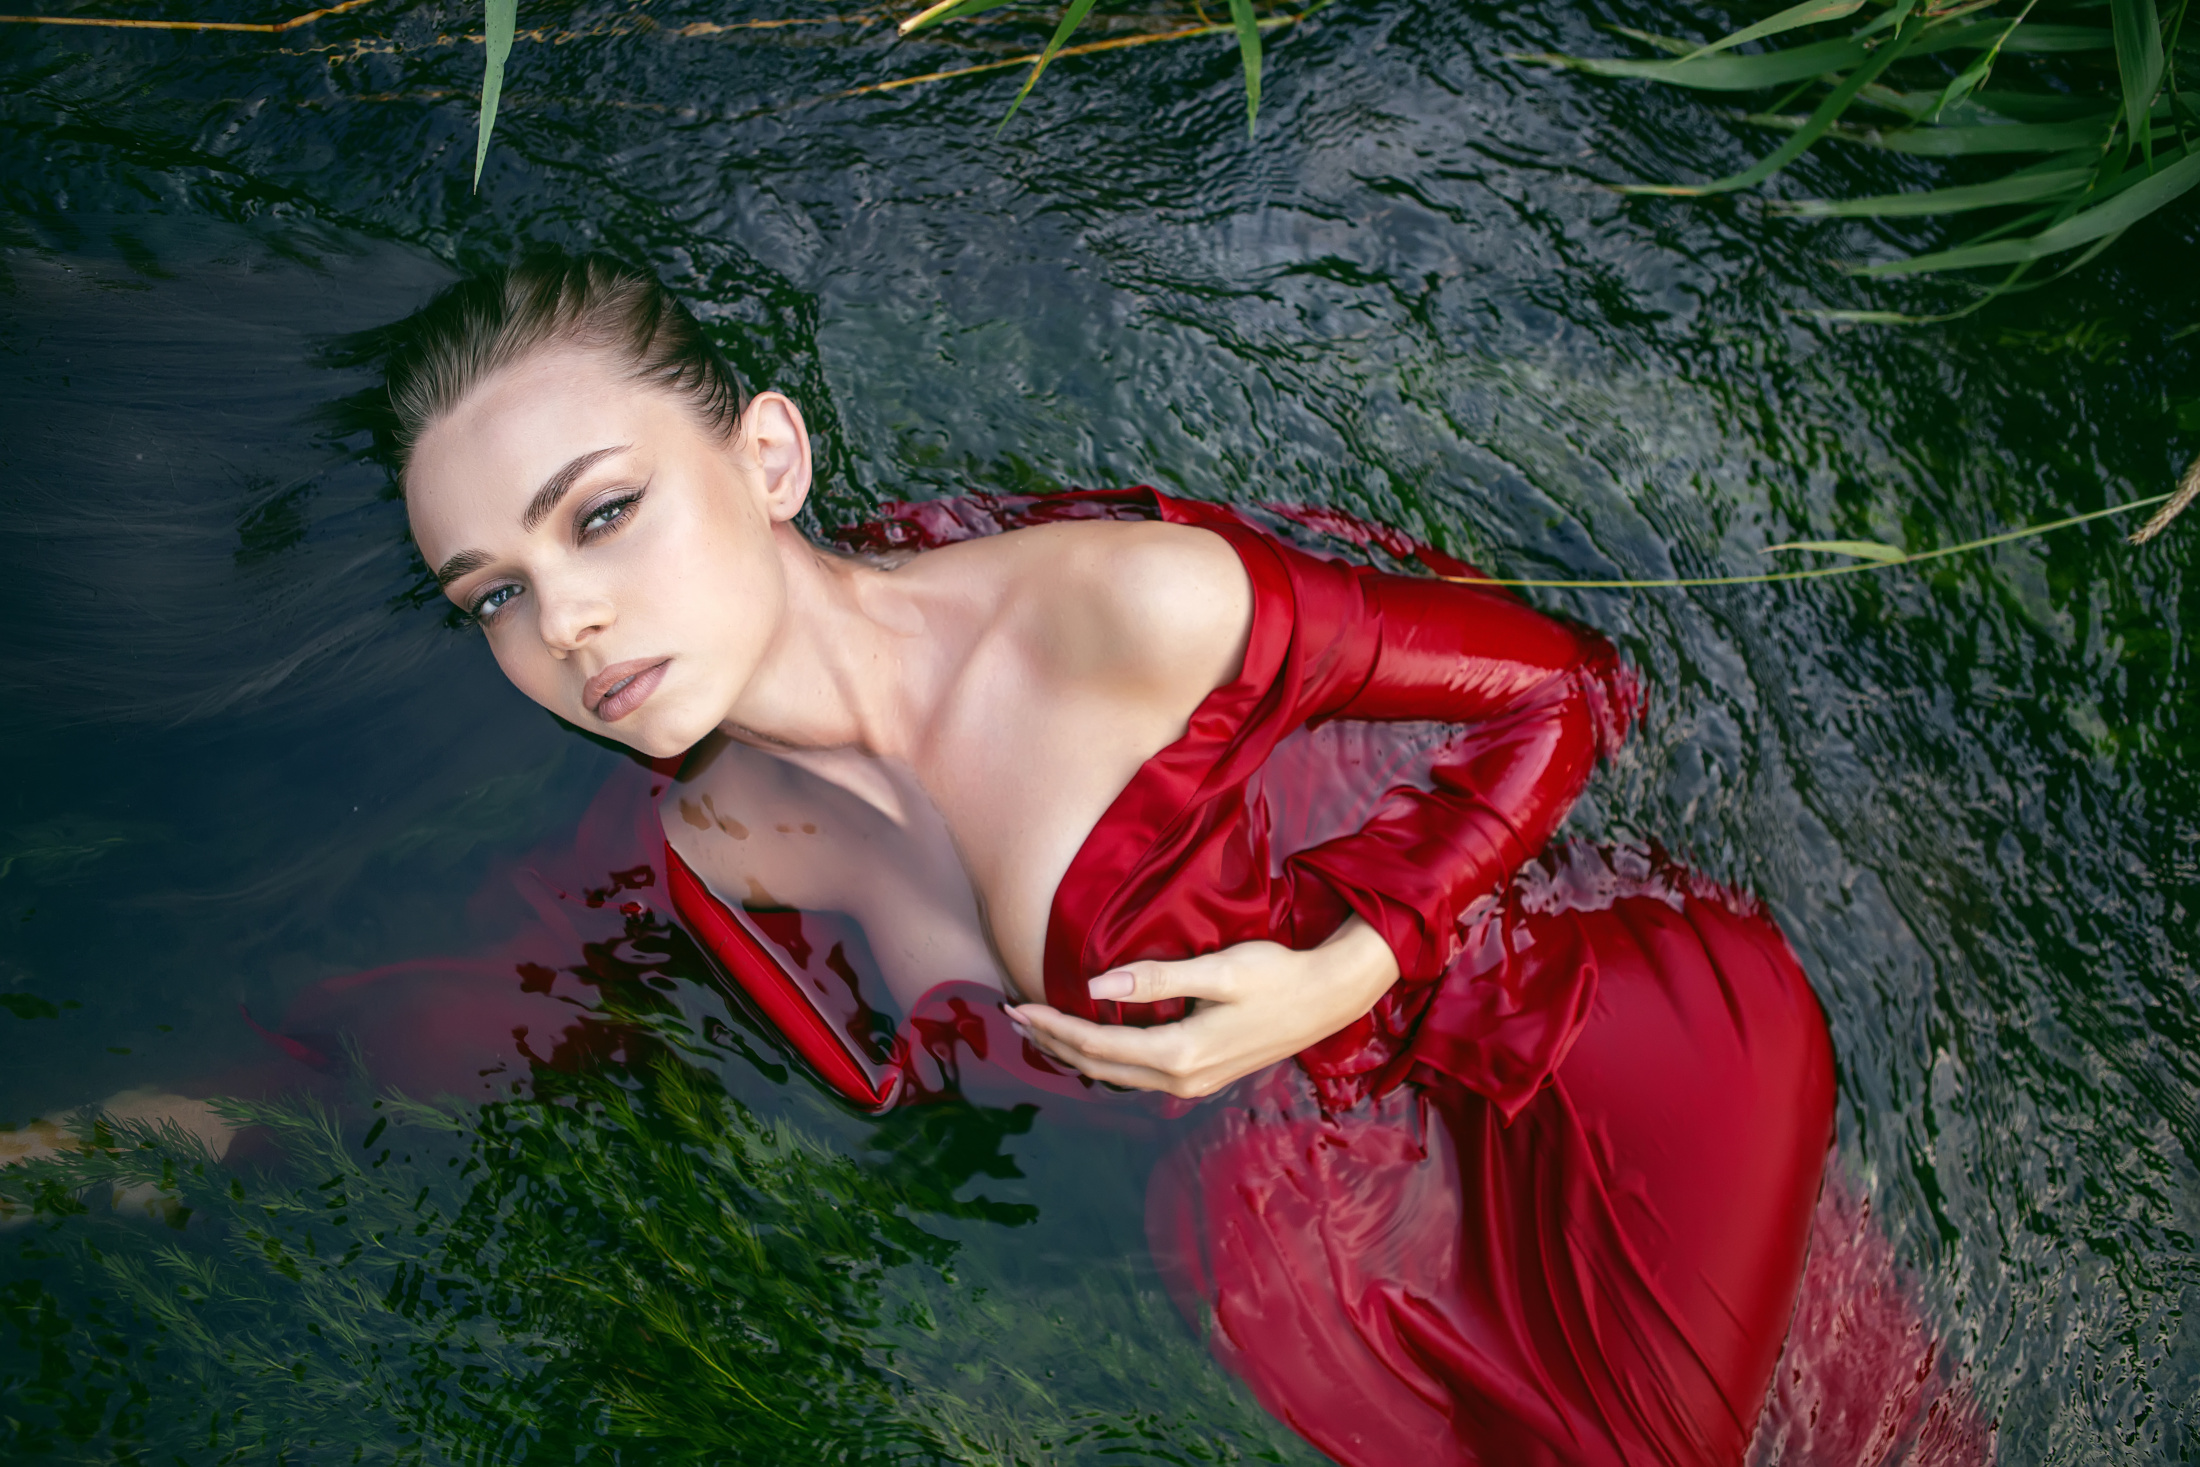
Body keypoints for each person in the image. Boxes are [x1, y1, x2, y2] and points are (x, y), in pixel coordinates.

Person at [8, 255, 1985, 1465]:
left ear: (765, 459)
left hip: (1596, 1054)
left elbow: (1566, 692)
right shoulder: (714, 856)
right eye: (496, 595)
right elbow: (498, 1008)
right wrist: (174, 1118)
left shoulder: (1101, 612)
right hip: (1331, 1222)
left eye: (601, 516)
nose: (570, 630)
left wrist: (1350, 962)